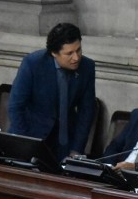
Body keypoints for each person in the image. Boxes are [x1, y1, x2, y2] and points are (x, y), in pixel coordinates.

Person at [8, 23, 96, 161]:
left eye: (78, 50)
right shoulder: (32, 64)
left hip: (65, 143)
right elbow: (15, 106)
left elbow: (87, 110)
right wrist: (24, 144)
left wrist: (76, 149)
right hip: (32, 137)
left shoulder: (87, 67)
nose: (76, 58)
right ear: (54, 53)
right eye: (69, 53)